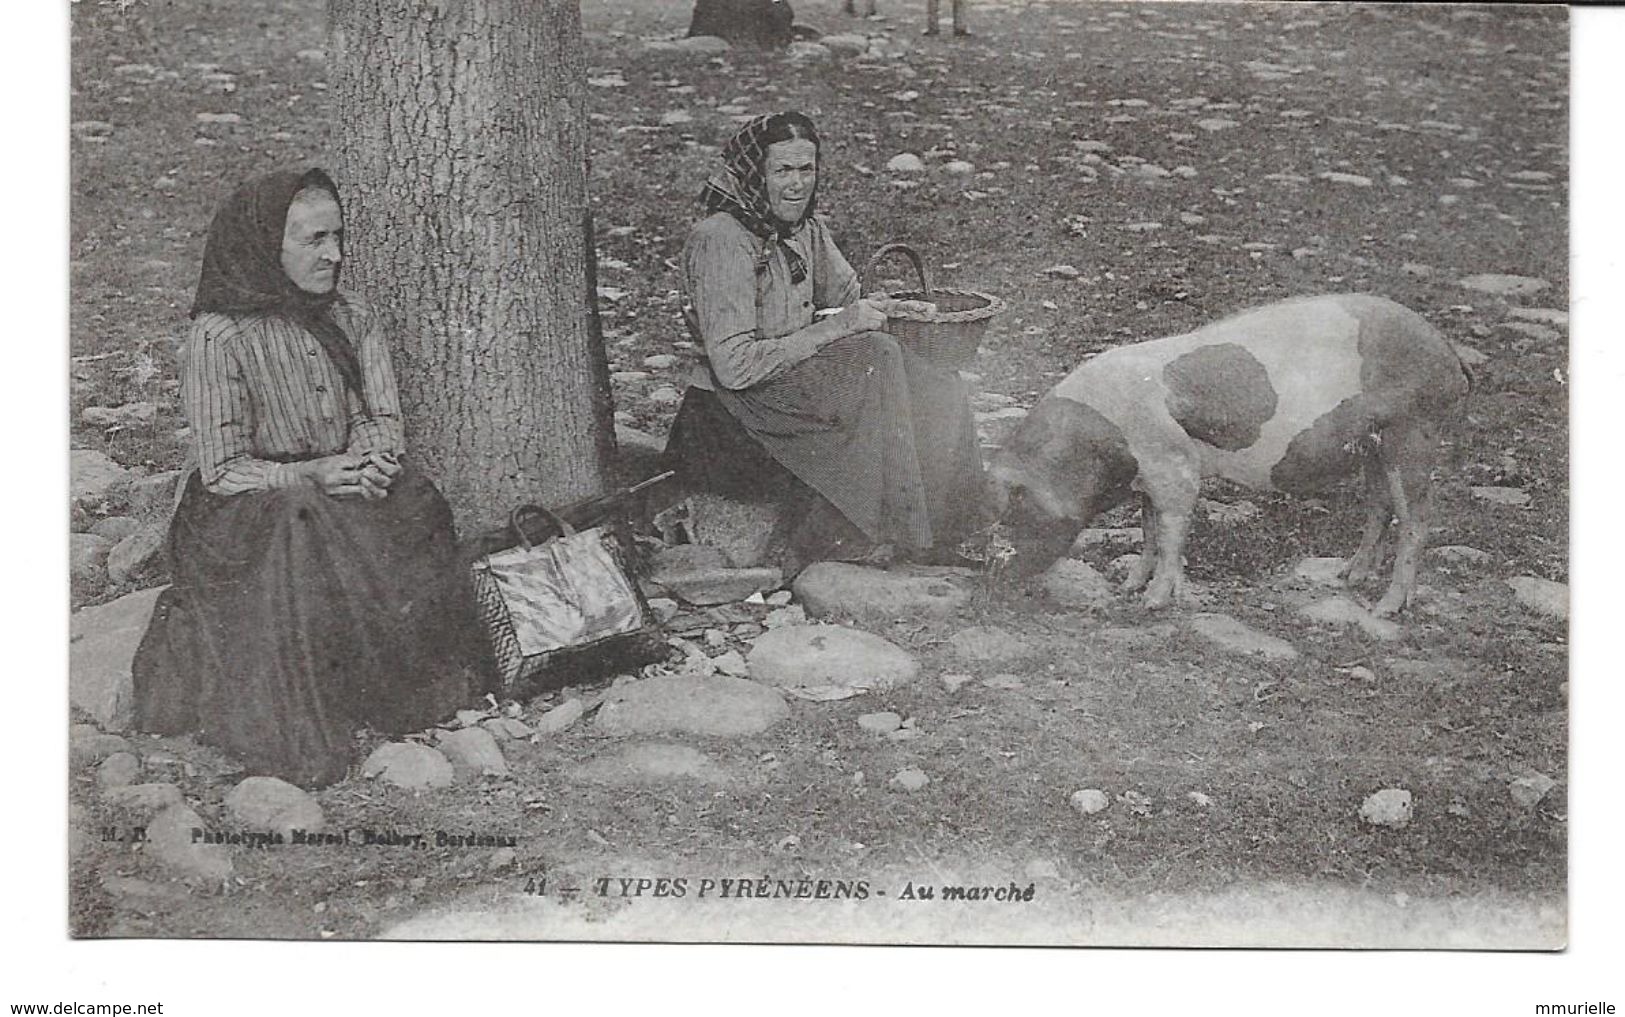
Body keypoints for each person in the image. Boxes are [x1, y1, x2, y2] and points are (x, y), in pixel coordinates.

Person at [131, 168, 488, 788]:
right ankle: (297, 730)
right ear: (267, 246)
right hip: (245, 513)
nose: (334, 255)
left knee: (417, 500)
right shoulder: (221, 334)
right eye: (314, 240)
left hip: (341, 483)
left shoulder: (350, 313)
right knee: (303, 519)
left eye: (338, 236)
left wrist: (375, 463)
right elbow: (222, 469)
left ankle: (405, 692)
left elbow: (381, 417)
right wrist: (311, 475)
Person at [663, 111, 985, 572]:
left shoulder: (803, 228)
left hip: (789, 386)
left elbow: (847, 298)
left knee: (938, 382)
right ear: (755, 173)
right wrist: (836, 328)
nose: (797, 185)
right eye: (782, 171)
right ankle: (871, 531)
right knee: (875, 356)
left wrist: (892, 310)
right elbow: (734, 367)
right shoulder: (722, 240)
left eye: (806, 169)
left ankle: (953, 528)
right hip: (732, 417)